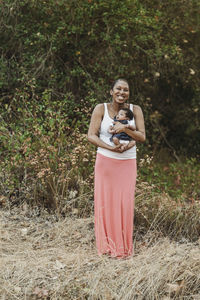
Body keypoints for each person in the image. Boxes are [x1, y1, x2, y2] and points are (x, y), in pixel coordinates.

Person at [87, 78, 146, 258]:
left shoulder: (135, 110)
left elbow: (141, 136)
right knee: (105, 203)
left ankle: (123, 248)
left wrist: (125, 129)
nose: (122, 92)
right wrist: (110, 147)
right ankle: (106, 247)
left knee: (125, 203)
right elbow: (91, 135)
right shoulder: (100, 109)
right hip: (105, 160)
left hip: (127, 162)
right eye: (118, 89)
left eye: (126, 90)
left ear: (129, 93)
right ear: (111, 91)